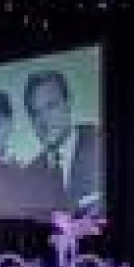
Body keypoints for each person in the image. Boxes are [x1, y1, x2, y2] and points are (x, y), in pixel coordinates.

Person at [21, 70, 100, 212]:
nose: (43, 121)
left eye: (51, 106)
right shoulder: (29, 175)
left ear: (68, 102)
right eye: (35, 113)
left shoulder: (100, 143)